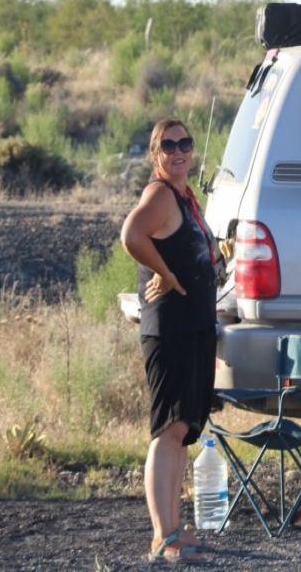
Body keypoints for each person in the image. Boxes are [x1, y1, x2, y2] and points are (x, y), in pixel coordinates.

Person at [120, 118, 219, 562]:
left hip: (194, 326)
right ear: (156, 153)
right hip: (171, 329)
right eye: (168, 145)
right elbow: (131, 234)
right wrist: (164, 273)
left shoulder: (183, 196)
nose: (178, 151)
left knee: (182, 432)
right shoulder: (159, 194)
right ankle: (164, 535)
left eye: (185, 143)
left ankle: (174, 529)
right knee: (167, 431)